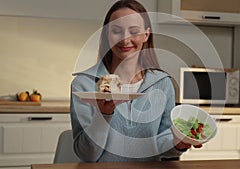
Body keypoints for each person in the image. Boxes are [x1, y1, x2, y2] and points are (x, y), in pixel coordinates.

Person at [70, 0, 202, 162]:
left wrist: (177, 144)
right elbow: (87, 155)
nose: (125, 40)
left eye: (133, 31)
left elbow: (162, 144)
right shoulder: (83, 84)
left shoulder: (163, 83)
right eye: (116, 31)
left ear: (146, 35)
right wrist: (103, 115)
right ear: (106, 34)